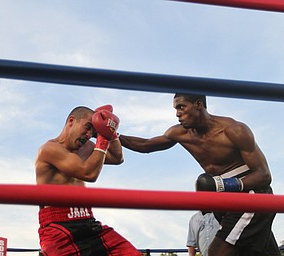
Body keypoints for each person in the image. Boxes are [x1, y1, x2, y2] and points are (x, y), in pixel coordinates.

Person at [119, 93, 281, 256]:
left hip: (250, 196)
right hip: (223, 199)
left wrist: (223, 184)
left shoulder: (233, 129)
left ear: (198, 104)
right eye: (176, 109)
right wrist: (112, 135)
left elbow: (264, 175)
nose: (177, 113)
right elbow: (146, 145)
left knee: (217, 252)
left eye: (181, 107)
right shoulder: (179, 133)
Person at [35, 105, 141, 256]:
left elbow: (118, 158)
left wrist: (111, 132)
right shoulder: (49, 149)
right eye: (88, 127)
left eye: (94, 131)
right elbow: (88, 173)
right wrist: (103, 138)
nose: (89, 134)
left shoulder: (88, 147)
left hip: (87, 220)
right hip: (58, 226)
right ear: (71, 121)